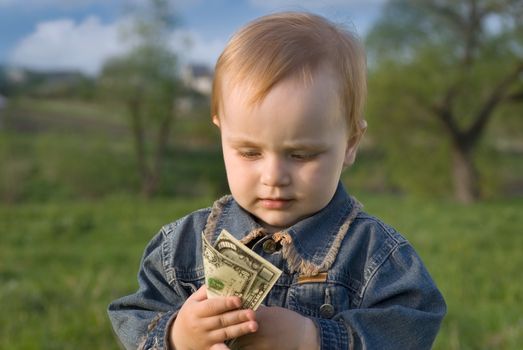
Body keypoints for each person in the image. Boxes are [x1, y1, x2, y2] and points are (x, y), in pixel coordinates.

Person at [108, 12, 446, 350]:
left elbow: (413, 327)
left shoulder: (375, 254)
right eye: (250, 152)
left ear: (350, 144)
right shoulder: (182, 247)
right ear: (222, 134)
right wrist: (177, 336)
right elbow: (134, 317)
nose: (273, 177)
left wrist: (314, 338)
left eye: (301, 155)